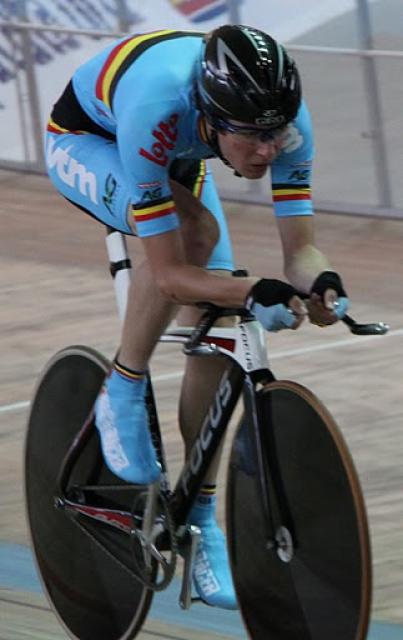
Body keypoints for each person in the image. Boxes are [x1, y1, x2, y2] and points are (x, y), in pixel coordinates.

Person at [45, 24, 349, 610]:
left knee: (221, 323)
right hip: (92, 139)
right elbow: (168, 276)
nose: (269, 150)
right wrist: (255, 288)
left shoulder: (281, 125)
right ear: (213, 118)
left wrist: (323, 284)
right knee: (197, 236)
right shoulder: (159, 101)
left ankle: (200, 517)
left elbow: (302, 254)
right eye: (255, 138)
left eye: (277, 133)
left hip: (174, 155)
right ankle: (122, 387)